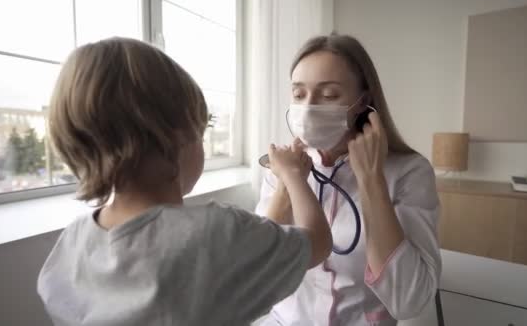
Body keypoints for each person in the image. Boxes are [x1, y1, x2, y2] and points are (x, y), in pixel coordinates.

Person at [37, 37, 334, 326]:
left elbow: (261, 255)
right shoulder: (215, 232)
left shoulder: (72, 242)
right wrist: (294, 176)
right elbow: (318, 242)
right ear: (174, 137)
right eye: (199, 133)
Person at [256, 34, 441, 326]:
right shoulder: (282, 167)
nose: (309, 107)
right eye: (298, 94)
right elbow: (257, 274)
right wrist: (288, 183)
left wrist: (371, 180)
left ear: (363, 102)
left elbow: (409, 301)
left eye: (329, 95)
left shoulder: (409, 172)